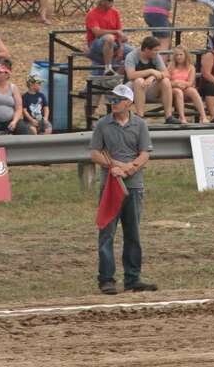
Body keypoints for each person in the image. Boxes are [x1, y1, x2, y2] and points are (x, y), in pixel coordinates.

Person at [90, 83, 156, 295]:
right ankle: (106, 279)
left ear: (128, 103)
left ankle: (132, 278)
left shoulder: (140, 125)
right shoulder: (102, 125)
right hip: (110, 186)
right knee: (106, 232)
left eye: (117, 100)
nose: (113, 103)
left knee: (133, 233)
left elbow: (145, 153)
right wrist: (113, 166)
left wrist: (128, 168)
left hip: (134, 185)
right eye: (112, 99)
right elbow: (95, 153)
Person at [122, 36, 177, 123]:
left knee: (165, 81)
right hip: (132, 91)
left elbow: (166, 74)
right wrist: (150, 71)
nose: (157, 52)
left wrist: (152, 76)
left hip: (148, 89)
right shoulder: (132, 56)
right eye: (155, 50)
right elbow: (131, 75)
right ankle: (140, 117)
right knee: (139, 81)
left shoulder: (156, 56)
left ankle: (168, 117)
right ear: (147, 49)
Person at [86, 0, 129, 73]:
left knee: (135, 53)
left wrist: (121, 47)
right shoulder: (92, 14)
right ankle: (108, 68)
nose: (112, 1)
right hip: (96, 43)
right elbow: (97, 33)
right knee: (109, 38)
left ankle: (116, 77)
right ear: (101, 1)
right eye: (109, 0)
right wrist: (115, 32)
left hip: (114, 43)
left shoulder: (115, 12)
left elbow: (120, 32)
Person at [165, 45, 206, 123]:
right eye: (177, 55)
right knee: (178, 91)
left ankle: (203, 116)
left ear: (185, 55)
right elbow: (167, 81)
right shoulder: (171, 66)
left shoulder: (191, 67)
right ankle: (182, 117)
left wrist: (182, 83)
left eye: (181, 55)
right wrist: (176, 84)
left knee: (193, 91)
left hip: (185, 87)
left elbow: (190, 82)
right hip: (173, 88)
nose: (179, 57)